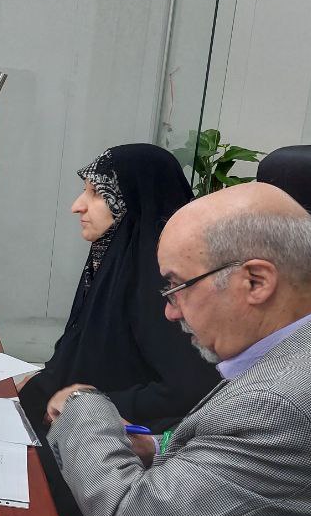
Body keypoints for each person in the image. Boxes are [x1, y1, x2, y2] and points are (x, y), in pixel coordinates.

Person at [47, 182, 311, 516]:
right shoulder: (305, 347)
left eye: (178, 286)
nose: (169, 310)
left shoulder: (282, 400)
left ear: (256, 281)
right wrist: (157, 446)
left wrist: (82, 406)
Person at [18, 144, 219, 433]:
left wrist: (84, 405)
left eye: (97, 193)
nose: (77, 206)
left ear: (132, 202)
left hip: (115, 441)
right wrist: (46, 383)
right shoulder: (116, 255)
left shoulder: (163, 279)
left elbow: (187, 389)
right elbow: (78, 346)